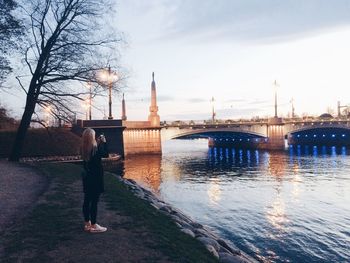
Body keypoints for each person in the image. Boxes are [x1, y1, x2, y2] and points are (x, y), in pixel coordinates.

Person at [81, 128, 109, 233]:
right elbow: (105, 154)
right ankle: (94, 225)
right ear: (92, 137)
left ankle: (87, 223)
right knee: (94, 202)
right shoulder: (95, 149)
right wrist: (104, 143)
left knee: (87, 200)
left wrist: (97, 142)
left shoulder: (83, 148)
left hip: (87, 178)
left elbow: (93, 151)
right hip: (96, 178)